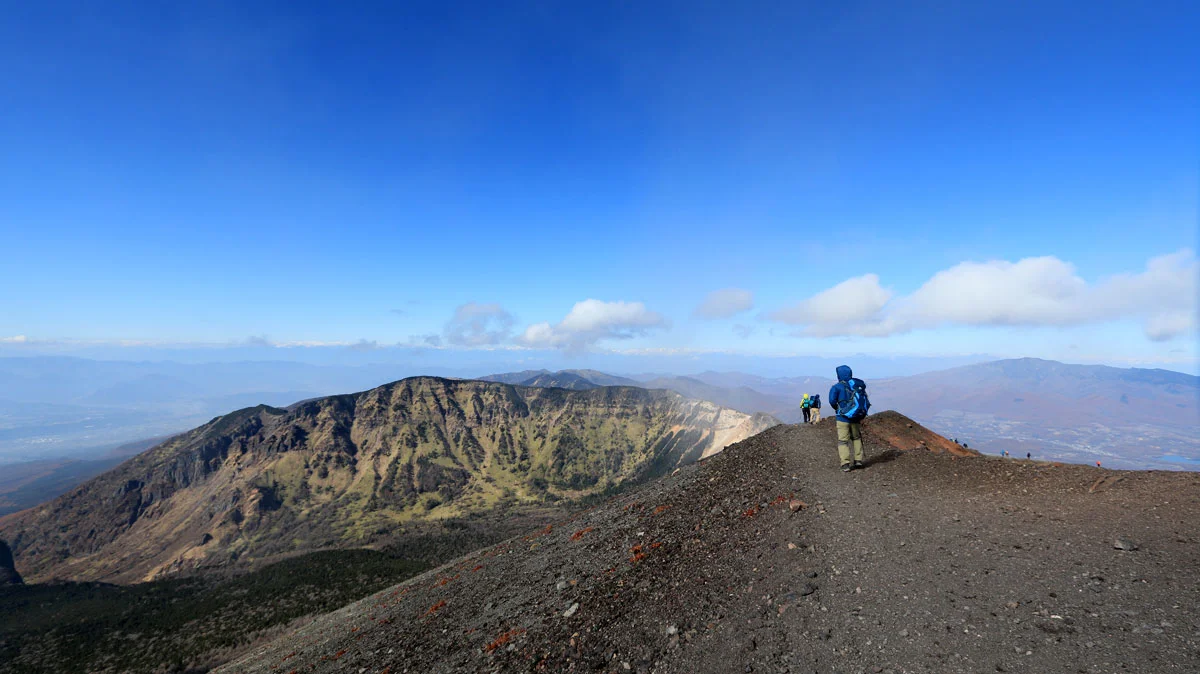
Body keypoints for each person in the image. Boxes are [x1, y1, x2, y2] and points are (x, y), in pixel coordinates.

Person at [828, 365, 868, 472]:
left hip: (842, 418)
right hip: (855, 417)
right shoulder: (856, 385)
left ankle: (845, 464)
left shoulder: (837, 387)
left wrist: (838, 408)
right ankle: (858, 461)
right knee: (856, 438)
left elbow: (832, 401)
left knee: (843, 441)